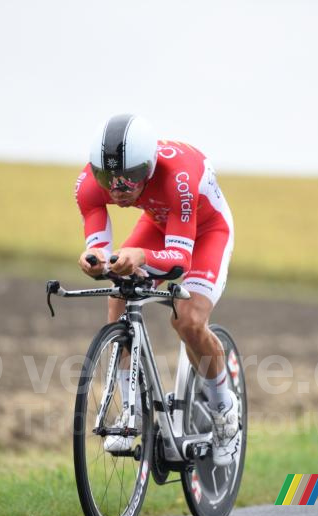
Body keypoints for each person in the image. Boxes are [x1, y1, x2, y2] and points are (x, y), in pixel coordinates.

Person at [74, 113, 239, 467]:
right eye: (109, 179)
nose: (117, 189)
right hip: (159, 222)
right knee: (118, 293)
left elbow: (179, 260)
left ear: (148, 167)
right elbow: (99, 247)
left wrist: (141, 256)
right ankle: (129, 412)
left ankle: (225, 408)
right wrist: (95, 260)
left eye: (128, 177)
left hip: (206, 230)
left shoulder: (178, 176)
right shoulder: (89, 184)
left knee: (188, 321)